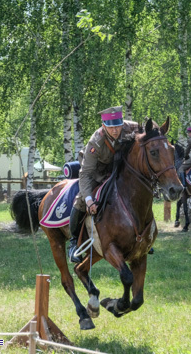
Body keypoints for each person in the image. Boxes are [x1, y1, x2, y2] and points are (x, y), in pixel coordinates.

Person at [67, 106, 139, 263]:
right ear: (104, 125)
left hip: (117, 167)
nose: (115, 130)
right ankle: (73, 244)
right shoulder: (96, 142)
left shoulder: (129, 127)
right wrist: (89, 201)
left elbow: (147, 129)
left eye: (118, 125)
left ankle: (141, 237)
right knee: (80, 200)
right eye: (111, 127)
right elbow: (85, 174)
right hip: (96, 171)